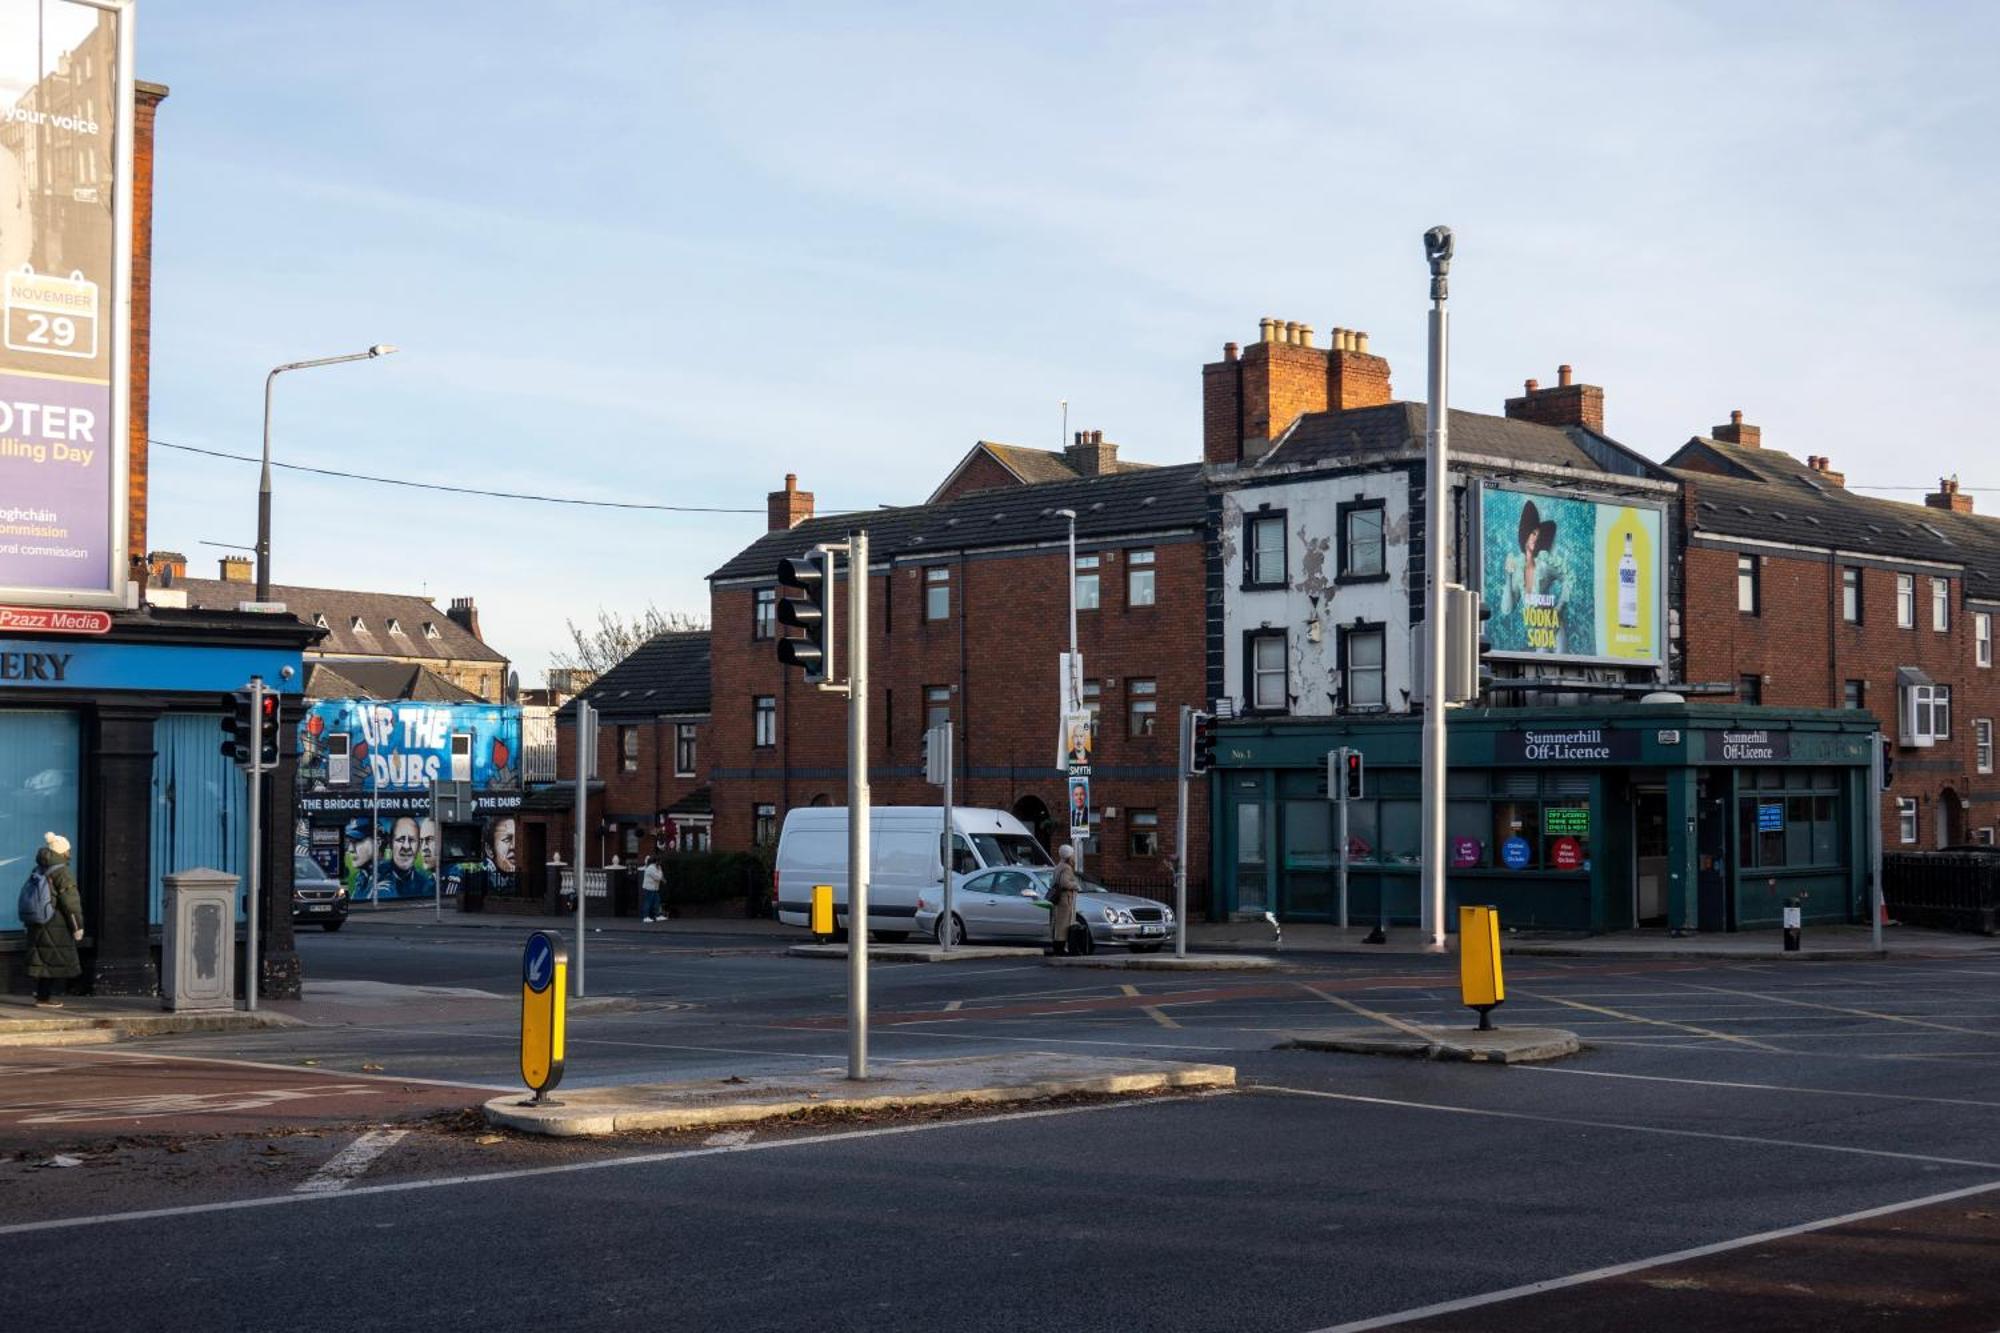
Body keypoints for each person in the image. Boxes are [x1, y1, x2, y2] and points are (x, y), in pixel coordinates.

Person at [24, 832, 84, 1007]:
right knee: (54, 958)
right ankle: (44, 998)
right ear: (63, 852)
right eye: (68, 850)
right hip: (55, 922)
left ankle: (42, 996)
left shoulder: (39, 868)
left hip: (39, 920)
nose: (70, 853)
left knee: (44, 958)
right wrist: (77, 926)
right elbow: (71, 902)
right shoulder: (62, 872)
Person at [1047, 844, 1080, 956]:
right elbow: (1064, 883)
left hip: (1058, 899)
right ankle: (1060, 949)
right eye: (1073, 854)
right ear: (1069, 855)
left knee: (1058, 923)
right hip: (1065, 900)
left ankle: (1057, 947)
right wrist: (1075, 885)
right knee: (1064, 924)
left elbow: (1054, 882)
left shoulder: (1058, 866)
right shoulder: (1066, 867)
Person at [641, 856, 665, 923]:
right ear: (656, 862)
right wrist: (660, 871)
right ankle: (646, 917)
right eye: (659, 862)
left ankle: (657, 916)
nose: (660, 863)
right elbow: (658, 877)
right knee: (648, 903)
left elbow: (660, 877)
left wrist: (660, 873)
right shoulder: (651, 868)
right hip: (649, 888)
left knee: (656, 902)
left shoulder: (655, 867)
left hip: (654, 888)